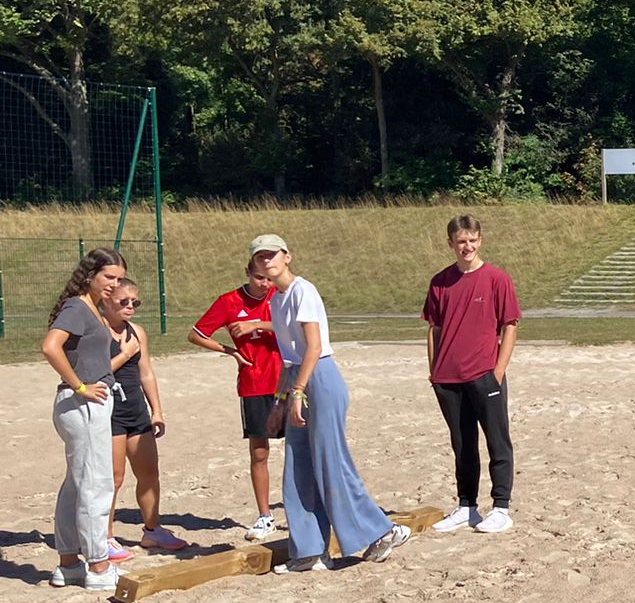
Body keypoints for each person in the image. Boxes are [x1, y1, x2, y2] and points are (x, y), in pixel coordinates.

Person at [253, 233, 412, 573]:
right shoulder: (276, 300)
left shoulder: (302, 291)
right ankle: (310, 550)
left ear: (287, 257)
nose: (266, 261)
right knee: (298, 466)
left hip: (320, 379)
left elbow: (312, 347)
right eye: (259, 257)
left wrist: (297, 392)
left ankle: (384, 530)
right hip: (298, 377)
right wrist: (280, 402)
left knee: (330, 463)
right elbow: (288, 357)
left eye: (272, 255)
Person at [422, 214, 521, 535]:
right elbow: (433, 328)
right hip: (448, 378)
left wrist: (498, 371)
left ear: (481, 240)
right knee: (463, 444)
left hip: (484, 374)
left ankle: (501, 507)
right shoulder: (440, 281)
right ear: (450, 243)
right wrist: (434, 370)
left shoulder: (496, 279)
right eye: (461, 241)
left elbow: (510, 326)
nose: (468, 246)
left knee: (497, 441)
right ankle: (467, 507)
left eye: (473, 240)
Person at [39, 248, 126, 590]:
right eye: (108, 277)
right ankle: (99, 566)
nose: (114, 284)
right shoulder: (77, 306)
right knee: (95, 483)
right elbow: (50, 346)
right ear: (89, 274)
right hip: (83, 403)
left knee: (76, 483)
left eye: (119, 279)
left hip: (81, 404)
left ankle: (68, 563)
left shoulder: (89, 307)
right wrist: (79, 386)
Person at [189, 255, 282, 538]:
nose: (264, 283)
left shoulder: (281, 296)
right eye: (258, 277)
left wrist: (258, 325)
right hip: (254, 382)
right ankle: (265, 515)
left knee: (302, 448)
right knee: (259, 452)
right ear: (248, 274)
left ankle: (309, 506)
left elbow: (300, 325)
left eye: (268, 278)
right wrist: (229, 351)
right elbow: (195, 334)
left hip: (286, 380)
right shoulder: (229, 302)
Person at [105, 280, 186, 555]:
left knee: (149, 472)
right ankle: (104, 536)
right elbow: (97, 372)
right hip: (108, 411)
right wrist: (125, 353)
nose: (130, 307)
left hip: (136, 411)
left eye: (135, 303)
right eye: (124, 301)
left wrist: (157, 410)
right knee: (113, 479)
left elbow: (146, 372)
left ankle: (153, 530)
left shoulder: (137, 332)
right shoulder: (96, 332)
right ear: (107, 300)